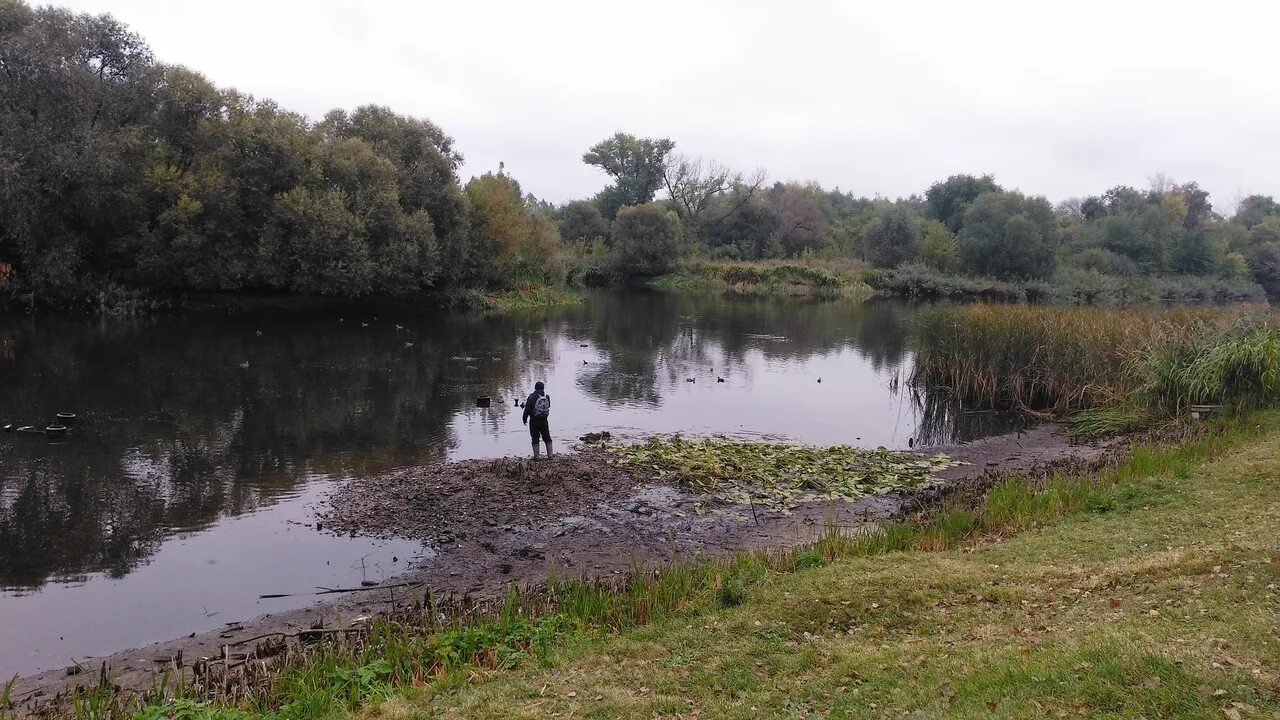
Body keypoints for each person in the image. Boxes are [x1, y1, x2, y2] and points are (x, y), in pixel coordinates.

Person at [522, 381, 552, 458]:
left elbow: (527, 409)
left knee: (535, 437)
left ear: (535, 388)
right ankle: (550, 455)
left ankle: (537, 456)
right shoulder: (546, 397)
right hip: (544, 420)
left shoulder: (531, 397)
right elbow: (549, 406)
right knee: (547, 436)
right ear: (543, 388)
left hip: (534, 421)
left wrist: (524, 419)